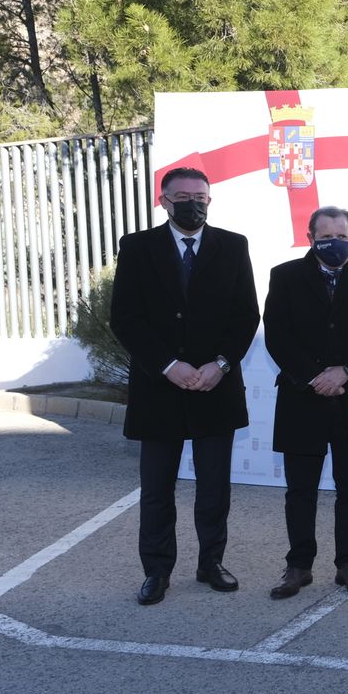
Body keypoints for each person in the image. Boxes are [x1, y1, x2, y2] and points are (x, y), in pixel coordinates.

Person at [110, 167, 260, 606]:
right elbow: (126, 318)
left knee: (214, 489)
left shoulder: (233, 246)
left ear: (209, 200)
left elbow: (245, 315)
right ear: (164, 200)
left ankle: (211, 563)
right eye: (183, 195)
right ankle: (156, 571)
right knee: (157, 490)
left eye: (200, 195)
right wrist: (168, 365)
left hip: (215, 386)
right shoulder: (137, 247)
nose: (193, 202)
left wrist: (220, 364)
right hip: (160, 389)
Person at [262, 207, 348, 598]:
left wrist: (347, 371)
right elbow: (277, 334)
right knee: (299, 489)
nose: (335, 241)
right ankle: (298, 566)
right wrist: (314, 377)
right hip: (302, 399)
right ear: (310, 236)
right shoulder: (284, 275)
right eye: (327, 235)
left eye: (343, 234)